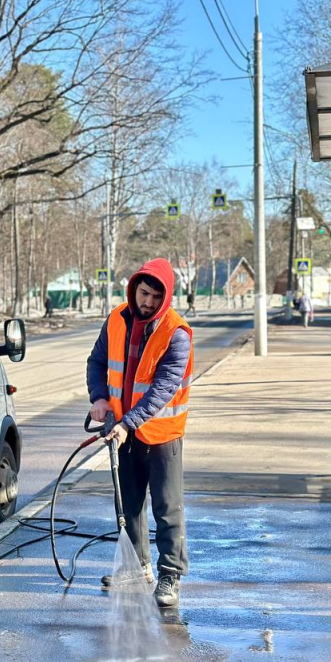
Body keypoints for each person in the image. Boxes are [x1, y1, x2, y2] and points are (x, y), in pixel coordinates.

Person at [86, 258, 194, 608]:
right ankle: (138, 567)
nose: (147, 302)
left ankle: (170, 575)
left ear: (166, 298)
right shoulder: (117, 319)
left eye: (155, 297)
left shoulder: (177, 333)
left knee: (167, 508)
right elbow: (97, 362)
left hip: (161, 435)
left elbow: (161, 390)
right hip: (123, 431)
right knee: (129, 504)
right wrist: (100, 399)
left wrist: (126, 423)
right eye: (143, 293)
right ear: (134, 288)